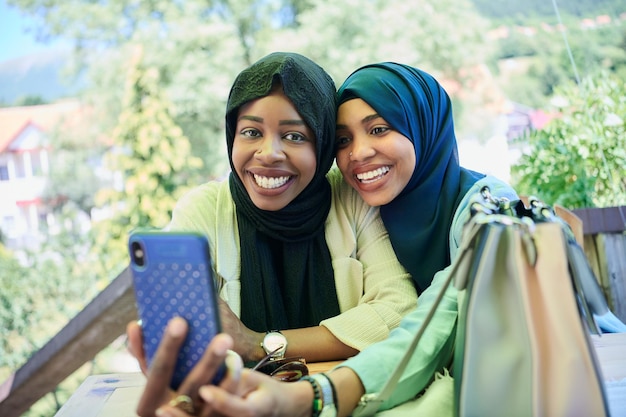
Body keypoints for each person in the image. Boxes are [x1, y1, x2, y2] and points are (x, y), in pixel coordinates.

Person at [135, 62, 519, 417]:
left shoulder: (487, 210)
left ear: (423, 126)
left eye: (379, 128)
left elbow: (417, 324)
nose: (359, 153)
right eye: (343, 139)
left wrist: (280, 364)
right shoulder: (389, 204)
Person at [126, 52, 417, 408]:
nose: (269, 153)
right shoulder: (204, 210)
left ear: (323, 143)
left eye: (294, 136)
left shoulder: (349, 197)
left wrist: (259, 343)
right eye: (251, 132)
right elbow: (180, 337)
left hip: (338, 405)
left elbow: (399, 312)